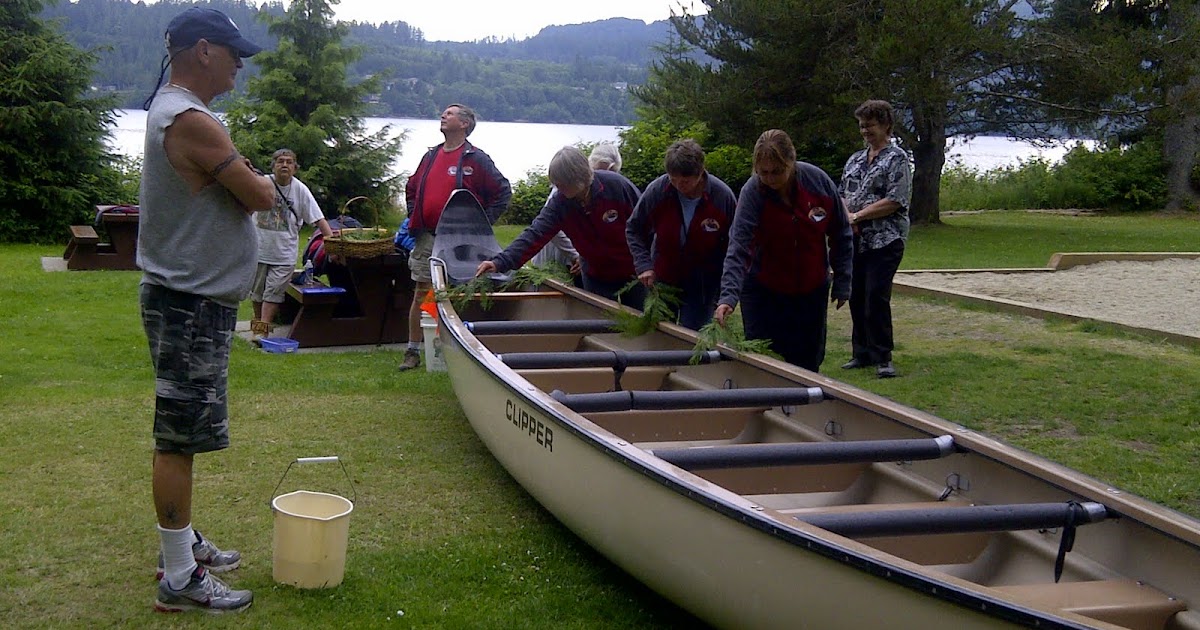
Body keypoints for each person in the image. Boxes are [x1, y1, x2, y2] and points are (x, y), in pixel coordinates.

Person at [136, 6, 273, 614]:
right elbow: (260, 195)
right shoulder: (190, 119)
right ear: (202, 51)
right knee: (179, 437)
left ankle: (182, 543)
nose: (240, 64)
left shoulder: (174, 110)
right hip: (188, 304)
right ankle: (178, 577)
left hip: (189, 300)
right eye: (233, 53)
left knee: (184, 432)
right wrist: (256, 179)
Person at [713, 129, 853, 372]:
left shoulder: (818, 183)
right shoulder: (752, 193)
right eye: (763, 172)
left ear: (791, 162)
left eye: (777, 171)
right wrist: (728, 296)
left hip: (811, 288)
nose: (770, 178)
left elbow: (841, 232)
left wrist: (843, 280)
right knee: (762, 359)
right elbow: (739, 247)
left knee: (807, 361)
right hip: (764, 288)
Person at [399, 103, 512, 371]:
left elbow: (502, 192)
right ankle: (413, 351)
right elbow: (412, 187)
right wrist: (415, 214)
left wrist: (480, 224)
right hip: (428, 237)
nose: (442, 115)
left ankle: (459, 351)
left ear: (464, 124)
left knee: (458, 293)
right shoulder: (430, 156)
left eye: (449, 113)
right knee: (422, 292)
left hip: (462, 241)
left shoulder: (476, 159)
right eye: (443, 113)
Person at [476, 145, 644, 306]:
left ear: (579, 177)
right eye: (557, 183)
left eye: (562, 183)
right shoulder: (560, 203)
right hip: (596, 275)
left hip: (634, 272)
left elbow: (646, 226)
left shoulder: (617, 187)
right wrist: (501, 262)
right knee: (600, 324)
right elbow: (535, 233)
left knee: (640, 323)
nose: (559, 187)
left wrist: (648, 265)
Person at [627, 139, 736, 330]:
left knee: (692, 336)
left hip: (703, 286)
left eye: (685, 181)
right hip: (663, 279)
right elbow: (634, 228)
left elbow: (734, 247)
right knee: (658, 333)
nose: (678, 185)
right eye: (672, 179)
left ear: (700, 172)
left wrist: (726, 293)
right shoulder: (659, 190)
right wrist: (644, 265)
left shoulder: (722, 197)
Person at [839, 100, 913, 379]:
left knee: (875, 297)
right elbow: (841, 192)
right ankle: (862, 353)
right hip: (856, 240)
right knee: (856, 295)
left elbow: (895, 200)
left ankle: (883, 356)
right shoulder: (855, 159)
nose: (865, 130)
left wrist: (858, 217)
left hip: (887, 239)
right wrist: (847, 215)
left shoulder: (897, 159)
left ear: (886, 126)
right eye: (862, 125)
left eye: (870, 125)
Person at [249, 148, 334, 339]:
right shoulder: (262, 184)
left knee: (272, 294)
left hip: (284, 254)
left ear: (295, 168)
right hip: (258, 250)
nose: (284, 165)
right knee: (256, 294)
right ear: (273, 165)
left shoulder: (300, 190)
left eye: (289, 162)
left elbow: (319, 219)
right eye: (280, 161)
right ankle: (258, 329)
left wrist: (332, 245)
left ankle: (262, 334)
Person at [530, 143, 623, 280]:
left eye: (610, 173)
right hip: (557, 259)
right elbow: (548, 228)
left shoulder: (611, 188)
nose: (602, 176)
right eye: (600, 170)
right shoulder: (567, 186)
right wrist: (575, 255)